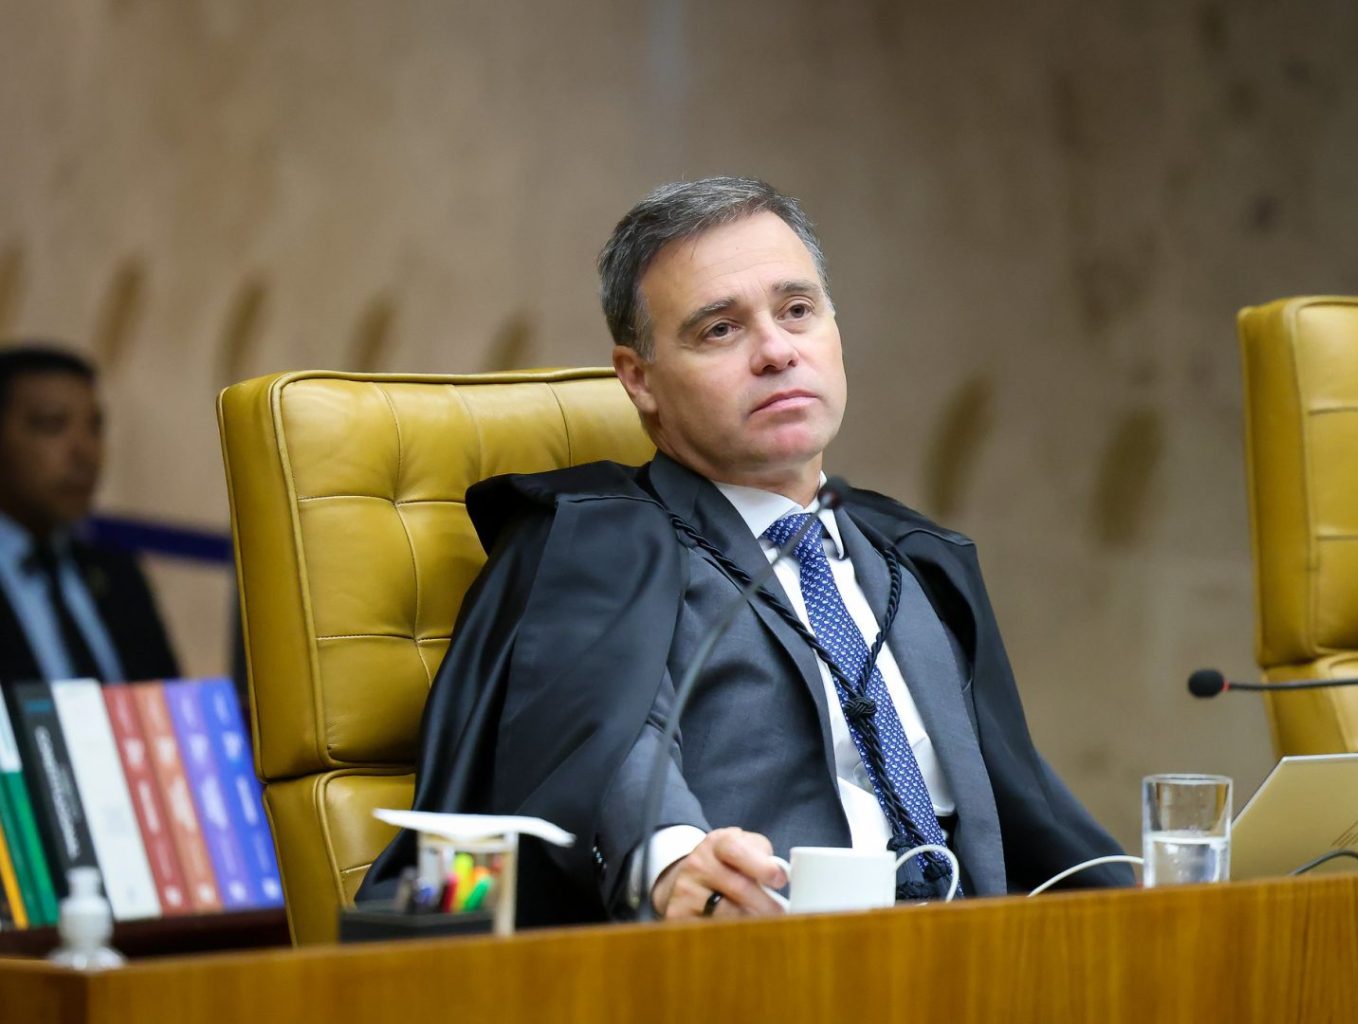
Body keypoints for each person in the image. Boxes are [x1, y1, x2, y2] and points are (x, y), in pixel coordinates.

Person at [363, 177, 1131, 925]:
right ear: (639, 380)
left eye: (797, 311)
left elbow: (1032, 819)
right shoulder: (599, 543)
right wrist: (671, 861)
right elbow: (604, 738)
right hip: (761, 965)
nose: (776, 351)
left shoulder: (917, 561)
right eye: (720, 330)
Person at [0, 345, 179, 685]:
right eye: (52, 426)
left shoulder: (117, 571)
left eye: (94, 428)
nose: (85, 452)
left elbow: (168, 702)